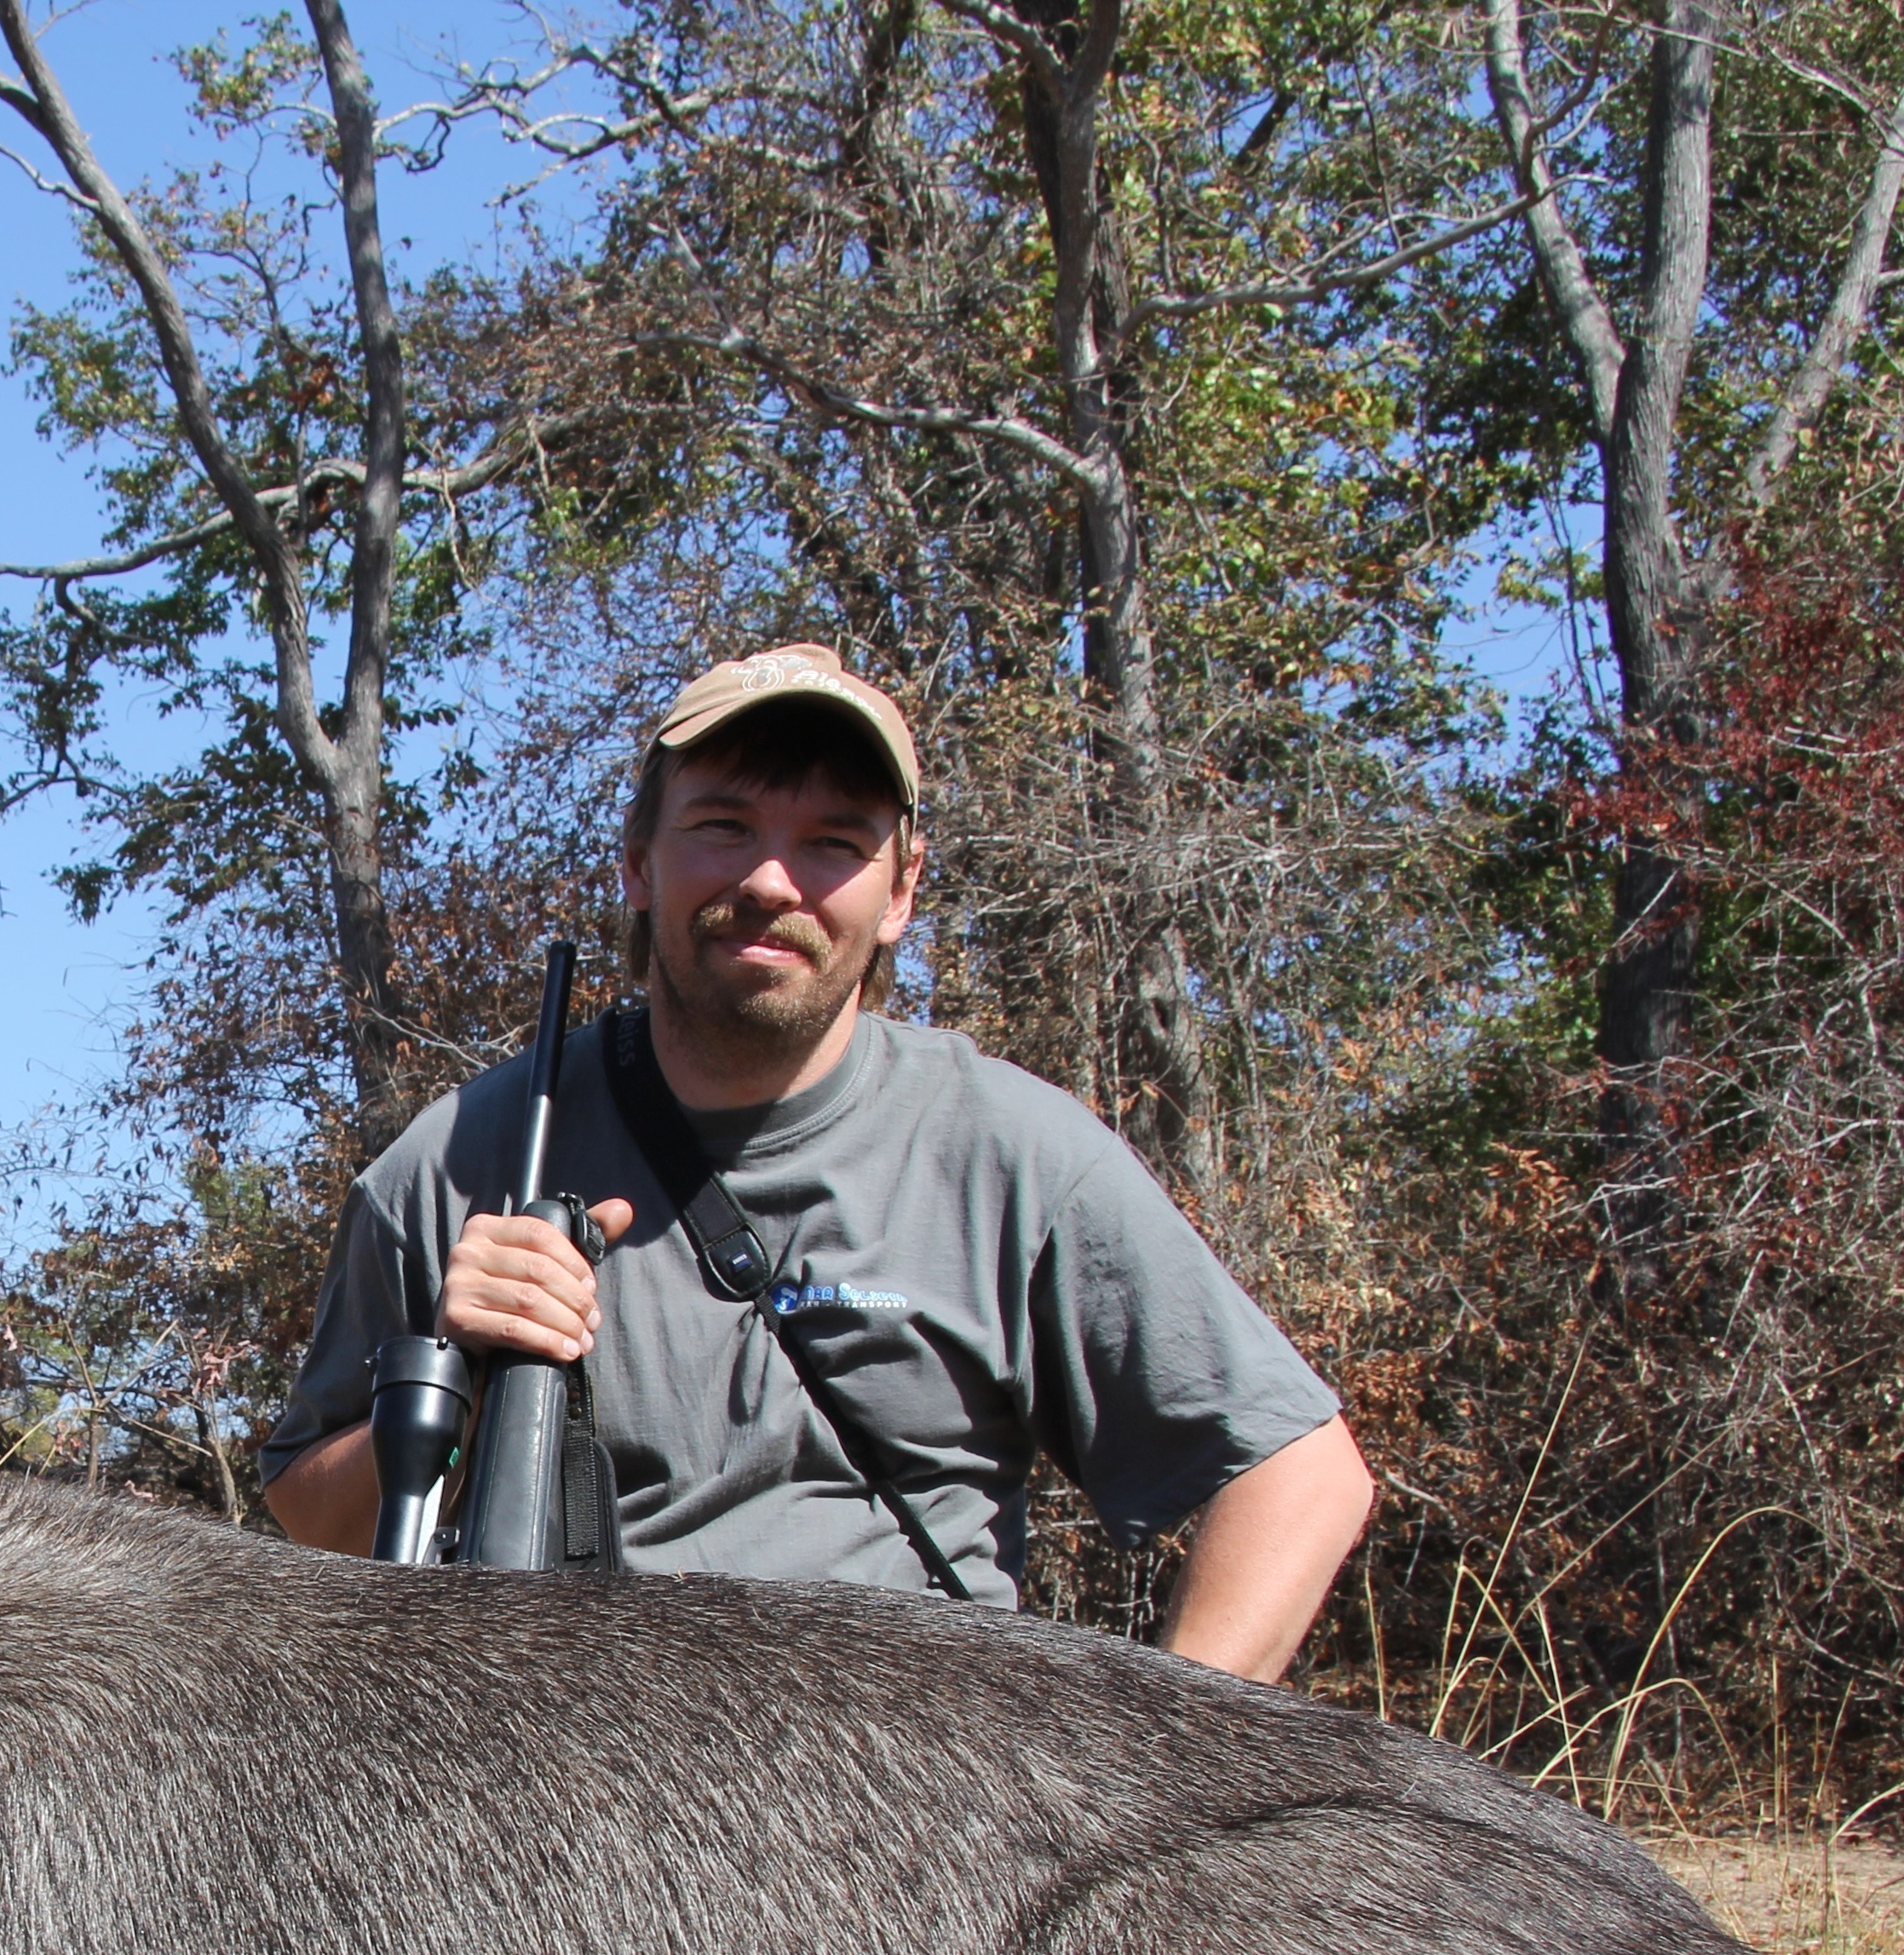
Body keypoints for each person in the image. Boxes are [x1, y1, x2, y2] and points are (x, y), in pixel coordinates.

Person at [257, 644, 1376, 1681]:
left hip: (923, 1827)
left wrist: (1154, 1787)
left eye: (835, 842)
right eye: (725, 826)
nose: (776, 883)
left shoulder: (1015, 1155)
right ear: (641, 863)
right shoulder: (461, 1160)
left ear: (901, 892)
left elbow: (1302, 1475)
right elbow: (312, 1522)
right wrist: (456, 1379)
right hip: (564, 1825)